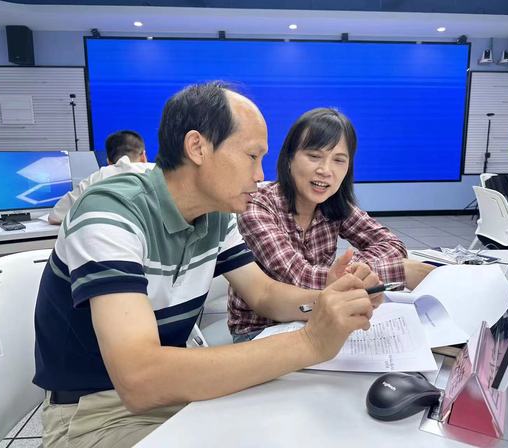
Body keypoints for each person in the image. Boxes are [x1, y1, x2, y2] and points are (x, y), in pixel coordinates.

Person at [33, 82, 382, 448]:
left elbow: (263, 293)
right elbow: (139, 379)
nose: (260, 174)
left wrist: (331, 300)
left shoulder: (215, 213)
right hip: (98, 414)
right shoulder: (111, 213)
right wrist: (312, 342)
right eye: (252, 156)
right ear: (197, 147)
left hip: (173, 396)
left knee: (301, 423)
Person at [228, 107, 435, 342]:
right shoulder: (258, 205)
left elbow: (392, 246)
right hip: (260, 331)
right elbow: (298, 275)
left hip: (319, 319)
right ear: (289, 159)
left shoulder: (334, 204)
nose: (325, 170)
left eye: (338, 160)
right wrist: (400, 270)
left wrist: (358, 270)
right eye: (314, 156)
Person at [48, 130, 153, 224]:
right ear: (144, 156)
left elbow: (56, 215)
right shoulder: (158, 171)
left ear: (108, 161)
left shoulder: (97, 178)